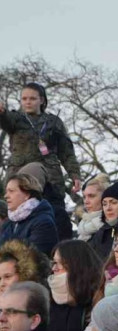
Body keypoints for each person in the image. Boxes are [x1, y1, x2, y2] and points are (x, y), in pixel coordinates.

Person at [0, 83, 81, 241]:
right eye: (24, 98)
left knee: (55, 214)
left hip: (50, 179)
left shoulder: (53, 122)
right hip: (20, 177)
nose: (28, 102)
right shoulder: (17, 119)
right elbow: (6, 120)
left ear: (42, 101)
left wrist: (74, 174)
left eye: (32, 98)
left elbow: (66, 151)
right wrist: (2, 113)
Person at [48, 239, 105, 331]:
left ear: (76, 265)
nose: (54, 268)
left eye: (61, 263)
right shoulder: (48, 296)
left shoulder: (100, 297)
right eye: (54, 262)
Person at [1, 173, 58, 254]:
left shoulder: (43, 223)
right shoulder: (9, 224)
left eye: (11, 191)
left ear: (27, 194)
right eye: (6, 191)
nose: (6, 196)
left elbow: (33, 258)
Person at [75, 174, 110, 243]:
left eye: (91, 196)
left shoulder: (112, 225)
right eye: (84, 197)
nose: (86, 201)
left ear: (105, 198)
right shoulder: (83, 225)